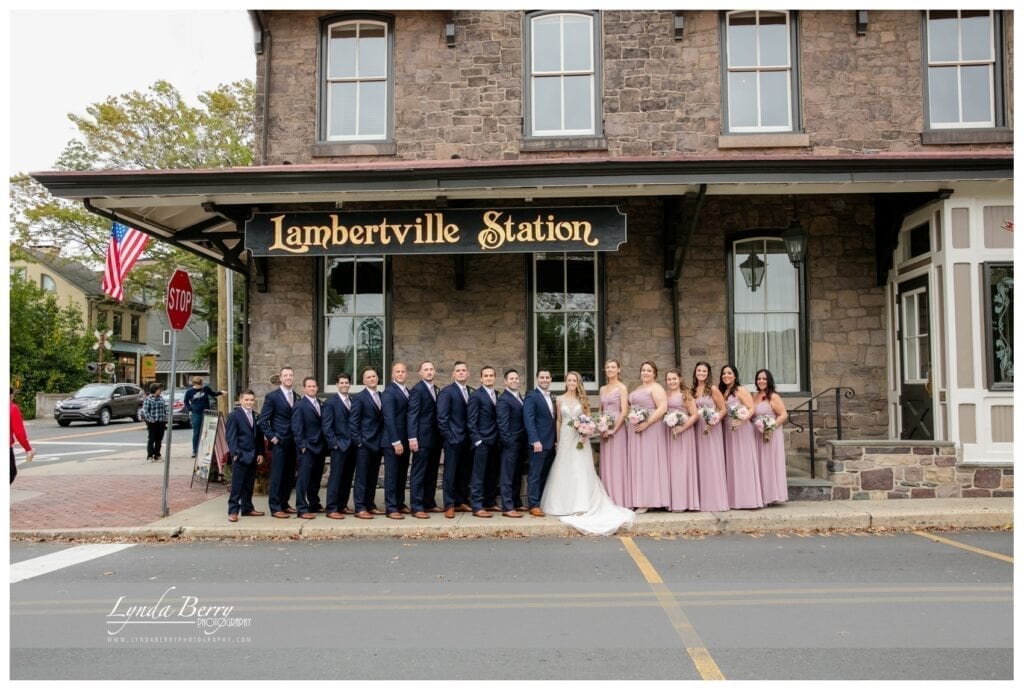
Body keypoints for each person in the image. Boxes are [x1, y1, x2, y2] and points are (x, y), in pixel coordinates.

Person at [540, 371, 635, 536]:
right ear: (565, 382)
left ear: (578, 383)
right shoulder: (560, 399)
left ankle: (581, 504)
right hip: (565, 438)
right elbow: (559, 421)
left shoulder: (583, 400)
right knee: (564, 470)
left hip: (580, 439)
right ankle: (563, 505)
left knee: (580, 470)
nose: (571, 383)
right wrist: (558, 440)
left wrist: (586, 434)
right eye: (569, 380)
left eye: (574, 380)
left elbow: (589, 420)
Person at [627, 361, 670, 512]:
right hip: (636, 427)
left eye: (649, 370)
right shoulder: (639, 388)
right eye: (643, 370)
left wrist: (647, 423)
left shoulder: (656, 388)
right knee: (638, 462)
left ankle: (648, 500)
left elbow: (663, 408)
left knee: (648, 463)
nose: (645, 372)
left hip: (651, 429)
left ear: (654, 373)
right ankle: (639, 498)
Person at [719, 364, 764, 509]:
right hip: (728, 429)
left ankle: (748, 499)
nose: (726, 376)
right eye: (724, 373)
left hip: (742, 429)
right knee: (732, 463)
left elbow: (751, 408)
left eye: (729, 373)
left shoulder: (740, 390)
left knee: (743, 462)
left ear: (735, 375)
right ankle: (734, 499)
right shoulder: (723, 391)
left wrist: (742, 419)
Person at [258, 366, 298, 518]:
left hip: (292, 442)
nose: (288, 377)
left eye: (290, 375)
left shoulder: (296, 396)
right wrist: (273, 438)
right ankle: (275, 507)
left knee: (289, 475)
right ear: (280, 378)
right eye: (285, 375)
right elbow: (263, 420)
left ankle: (284, 503)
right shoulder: (272, 397)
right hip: (279, 442)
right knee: (277, 475)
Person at [436, 361, 473, 518]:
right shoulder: (447, 392)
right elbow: (442, 418)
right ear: (453, 374)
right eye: (458, 370)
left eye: (463, 370)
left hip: (467, 440)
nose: (461, 373)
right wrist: (450, 438)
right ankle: (449, 504)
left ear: (468, 373)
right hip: (453, 440)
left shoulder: (471, 391)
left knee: (464, 473)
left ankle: (460, 501)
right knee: (450, 473)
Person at [692, 361, 729, 512]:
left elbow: (723, 409)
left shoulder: (712, 389)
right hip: (697, 428)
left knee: (711, 461)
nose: (701, 373)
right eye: (699, 370)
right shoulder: (693, 389)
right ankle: (701, 499)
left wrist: (714, 420)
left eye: (704, 371)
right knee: (700, 462)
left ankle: (715, 500)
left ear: (708, 373)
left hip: (711, 428)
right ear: (695, 372)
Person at [407, 361, 443, 518]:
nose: (429, 372)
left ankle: (429, 502)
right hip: (421, 439)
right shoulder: (417, 390)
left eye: (431, 369)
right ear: (420, 373)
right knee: (419, 473)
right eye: (426, 370)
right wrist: (412, 437)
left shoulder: (435, 389)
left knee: (431, 472)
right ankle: (416, 506)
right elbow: (412, 415)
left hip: (434, 439)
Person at [350, 366, 385, 519]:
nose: (372, 379)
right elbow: (353, 422)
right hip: (364, 443)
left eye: (374, 376)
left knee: (373, 476)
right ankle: (360, 507)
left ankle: (370, 504)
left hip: (378, 443)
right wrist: (359, 442)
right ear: (364, 381)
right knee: (362, 477)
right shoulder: (359, 398)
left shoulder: (382, 396)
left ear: (377, 378)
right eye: (368, 377)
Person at [226, 390, 266, 522]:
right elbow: (231, 436)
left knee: (249, 484)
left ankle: (247, 508)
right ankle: (233, 511)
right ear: (241, 400)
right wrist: (235, 453)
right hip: (241, 455)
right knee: (237, 485)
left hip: (253, 455)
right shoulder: (234, 416)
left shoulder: (256, 416)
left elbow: (259, 437)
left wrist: (260, 452)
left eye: (251, 400)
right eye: (247, 400)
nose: (249, 402)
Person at [467, 365, 501, 517]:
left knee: (492, 474)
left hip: (494, 441)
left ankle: (489, 501)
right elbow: (471, 421)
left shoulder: (497, 394)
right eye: (485, 376)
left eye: (491, 375)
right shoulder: (476, 396)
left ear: (495, 377)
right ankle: (477, 505)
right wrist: (477, 441)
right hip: (482, 441)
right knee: (478, 475)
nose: (488, 378)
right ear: (481, 378)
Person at [664, 368, 700, 512]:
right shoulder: (665, 395)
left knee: (683, 466)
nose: (672, 381)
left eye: (674, 379)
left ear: (680, 379)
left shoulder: (686, 395)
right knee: (672, 467)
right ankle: (674, 501)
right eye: (669, 379)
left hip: (684, 434)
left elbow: (695, 415)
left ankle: (686, 502)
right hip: (670, 433)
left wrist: (682, 428)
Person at [522, 369, 557, 517]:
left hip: (550, 443)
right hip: (538, 443)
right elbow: (529, 420)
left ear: (550, 379)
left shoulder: (552, 397)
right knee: (535, 475)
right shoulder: (532, 396)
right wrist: (535, 440)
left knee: (545, 475)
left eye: (547, 377)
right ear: (537, 379)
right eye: (542, 377)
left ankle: (541, 501)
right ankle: (533, 505)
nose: (544, 380)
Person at [752, 368, 790, 505]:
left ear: (769, 381)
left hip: (770, 435)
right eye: (759, 379)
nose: (761, 381)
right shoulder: (755, 396)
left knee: (769, 463)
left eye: (764, 379)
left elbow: (784, 415)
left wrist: (770, 427)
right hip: (757, 434)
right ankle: (761, 494)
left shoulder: (773, 396)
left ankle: (771, 495)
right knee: (759, 463)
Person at [322, 373, 357, 519]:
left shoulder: (352, 401)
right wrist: (334, 444)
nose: (344, 385)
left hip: (352, 446)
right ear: (337, 385)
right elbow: (326, 425)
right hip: (339, 445)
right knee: (335, 477)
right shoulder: (331, 402)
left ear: (349, 384)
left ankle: (342, 505)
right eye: (341, 382)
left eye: (346, 382)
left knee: (347, 478)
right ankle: (331, 508)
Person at [291, 376, 326, 519]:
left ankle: (314, 503)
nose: (312, 388)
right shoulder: (299, 405)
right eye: (309, 386)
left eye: (314, 386)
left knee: (316, 479)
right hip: (307, 447)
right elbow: (296, 428)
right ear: (304, 388)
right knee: (303, 479)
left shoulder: (320, 403)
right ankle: (301, 508)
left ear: (317, 388)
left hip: (320, 447)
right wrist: (302, 445)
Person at [381, 362, 412, 519]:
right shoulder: (389, 392)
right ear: (393, 375)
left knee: (401, 473)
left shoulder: (406, 391)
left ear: (406, 374)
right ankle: (391, 507)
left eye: (403, 371)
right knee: (392, 475)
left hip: (405, 440)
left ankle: (399, 503)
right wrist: (396, 441)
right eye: (397, 372)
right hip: (393, 441)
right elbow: (389, 418)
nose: (400, 374)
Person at [598, 358, 631, 508]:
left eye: (613, 367)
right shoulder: (602, 389)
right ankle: (607, 499)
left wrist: (613, 430)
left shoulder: (622, 388)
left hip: (618, 427)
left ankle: (620, 499)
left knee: (618, 462)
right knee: (606, 463)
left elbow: (624, 411)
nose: (610, 370)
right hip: (605, 427)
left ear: (618, 370)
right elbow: (600, 410)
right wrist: (602, 426)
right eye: (608, 367)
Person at [495, 369, 527, 517]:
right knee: (507, 475)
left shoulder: (519, 396)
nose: (514, 380)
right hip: (510, 443)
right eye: (511, 379)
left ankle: (516, 502)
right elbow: (502, 423)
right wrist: (508, 442)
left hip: (520, 442)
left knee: (516, 474)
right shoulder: (503, 399)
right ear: (505, 382)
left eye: (516, 378)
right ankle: (507, 507)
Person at [183, 376, 226, 459]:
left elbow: (213, 393)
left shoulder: (206, 388)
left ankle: (207, 449)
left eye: (201, 384)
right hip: (196, 413)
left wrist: (221, 392)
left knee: (208, 431)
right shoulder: (189, 391)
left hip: (206, 412)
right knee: (197, 432)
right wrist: (190, 409)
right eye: (199, 385)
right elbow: (185, 401)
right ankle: (195, 450)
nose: (200, 386)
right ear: (194, 384)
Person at [10, 388, 35, 483]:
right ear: (11, 395)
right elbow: (19, 432)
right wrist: (28, 449)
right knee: (11, 472)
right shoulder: (12, 408)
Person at [141, 382, 168, 462]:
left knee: (159, 439)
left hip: (161, 421)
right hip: (152, 422)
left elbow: (165, 409)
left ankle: (157, 455)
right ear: (155, 390)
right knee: (151, 439)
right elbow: (145, 411)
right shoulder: (148, 399)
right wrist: (151, 420)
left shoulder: (161, 398)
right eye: (159, 389)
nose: (160, 391)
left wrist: (165, 417)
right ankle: (150, 456)